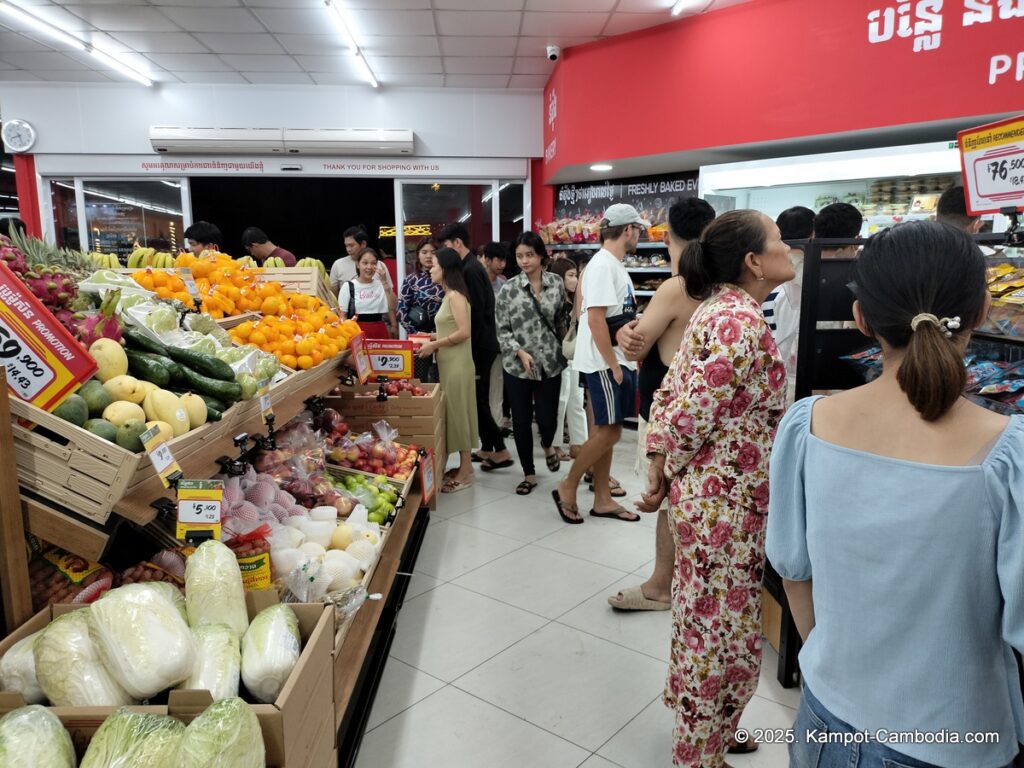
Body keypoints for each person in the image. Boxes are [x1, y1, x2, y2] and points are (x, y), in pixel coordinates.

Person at [766, 220, 1023, 768]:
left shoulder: (807, 425)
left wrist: (836, 665)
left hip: (825, 715)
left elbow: (793, 569)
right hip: (954, 738)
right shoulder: (1008, 453)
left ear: (860, 317)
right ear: (980, 310)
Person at [638, 209, 791, 767]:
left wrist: (660, 463)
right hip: (723, 504)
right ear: (754, 261)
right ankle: (696, 753)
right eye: (777, 241)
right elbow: (692, 408)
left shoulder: (723, 310)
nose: (787, 248)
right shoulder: (738, 321)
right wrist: (661, 464)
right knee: (719, 629)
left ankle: (716, 731)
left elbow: (674, 393)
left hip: (718, 498)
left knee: (712, 618)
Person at [608, 197, 715, 612]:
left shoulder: (677, 286)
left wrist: (627, 334)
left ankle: (660, 586)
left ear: (668, 236)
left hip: (668, 412)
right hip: (702, 410)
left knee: (666, 498)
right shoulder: (721, 286)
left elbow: (640, 343)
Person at [551, 203, 645, 525]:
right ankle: (568, 485)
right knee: (609, 433)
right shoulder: (605, 265)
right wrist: (614, 365)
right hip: (605, 364)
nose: (640, 235)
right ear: (628, 230)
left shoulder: (611, 264)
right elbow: (595, 320)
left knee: (610, 430)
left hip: (612, 361)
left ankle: (602, 498)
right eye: (638, 229)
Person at [495, 232, 567, 495]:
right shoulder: (509, 289)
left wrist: (568, 344)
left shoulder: (556, 283)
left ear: (541, 255)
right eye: (519, 256)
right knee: (521, 420)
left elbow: (561, 318)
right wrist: (519, 352)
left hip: (550, 362)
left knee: (548, 419)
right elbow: (502, 329)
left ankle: (548, 444)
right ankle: (528, 473)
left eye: (529, 255)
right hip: (517, 367)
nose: (524, 261)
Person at [438, 222, 512, 470]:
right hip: (481, 343)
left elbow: (478, 313)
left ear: (457, 243)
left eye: (447, 246)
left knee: (477, 400)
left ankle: (500, 450)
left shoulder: (469, 270)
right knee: (476, 398)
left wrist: (467, 348)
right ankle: (488, 448)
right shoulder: (471, 267)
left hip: (480, 345)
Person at [416, 248, 478, 493]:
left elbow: (464, 332)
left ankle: (466, 470)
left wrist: (435, 344)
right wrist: (430, 336)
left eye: (435, 265)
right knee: (455, 411)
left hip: (458, 364)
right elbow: (451, 329)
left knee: (459, 412)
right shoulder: (448, 296)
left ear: (446, 270)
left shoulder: (455, 296)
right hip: (449, 362)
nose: (430, 269)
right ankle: (464, 466)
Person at [762, 205, 815, 403]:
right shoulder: (811, 273)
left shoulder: (763, 272)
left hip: (770, 376)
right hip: (798, 379)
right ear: (813, 234)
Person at [547, 258, 588, 463]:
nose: (575, 279)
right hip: (559, 357)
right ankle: (554, 445)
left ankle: (578, 443)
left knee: (576, 400)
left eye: (576, 275)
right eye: (571, 275)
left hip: (575, 354)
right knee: (561, 400)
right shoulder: (556, 302)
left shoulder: (575, 299)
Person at [338, 248, 397, 339]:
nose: (369, 267)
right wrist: (347, 334)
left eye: (373, 263)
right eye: (365, 263)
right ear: (358, 264)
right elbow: (343, 315)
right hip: (356, 330)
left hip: (380, 330)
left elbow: (393, 306)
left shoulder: (381, 285)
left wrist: (385, 282)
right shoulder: (348, 286)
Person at [330, 225, 394, 296]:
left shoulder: (380, 265)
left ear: (363, 244)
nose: (348, 249)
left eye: (351, 245)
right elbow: (333, 296)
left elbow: (390, 295)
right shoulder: (338, 265)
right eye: (346, 246)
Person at [397, 237, 444, 334]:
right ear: (418, 254)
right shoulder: (410, 280)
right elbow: (401, 311)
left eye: (433, 252)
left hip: (443, 333)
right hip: (418, 335)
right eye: (424, 252)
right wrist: (417, 334)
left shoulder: (445, 278)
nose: (429, 256)